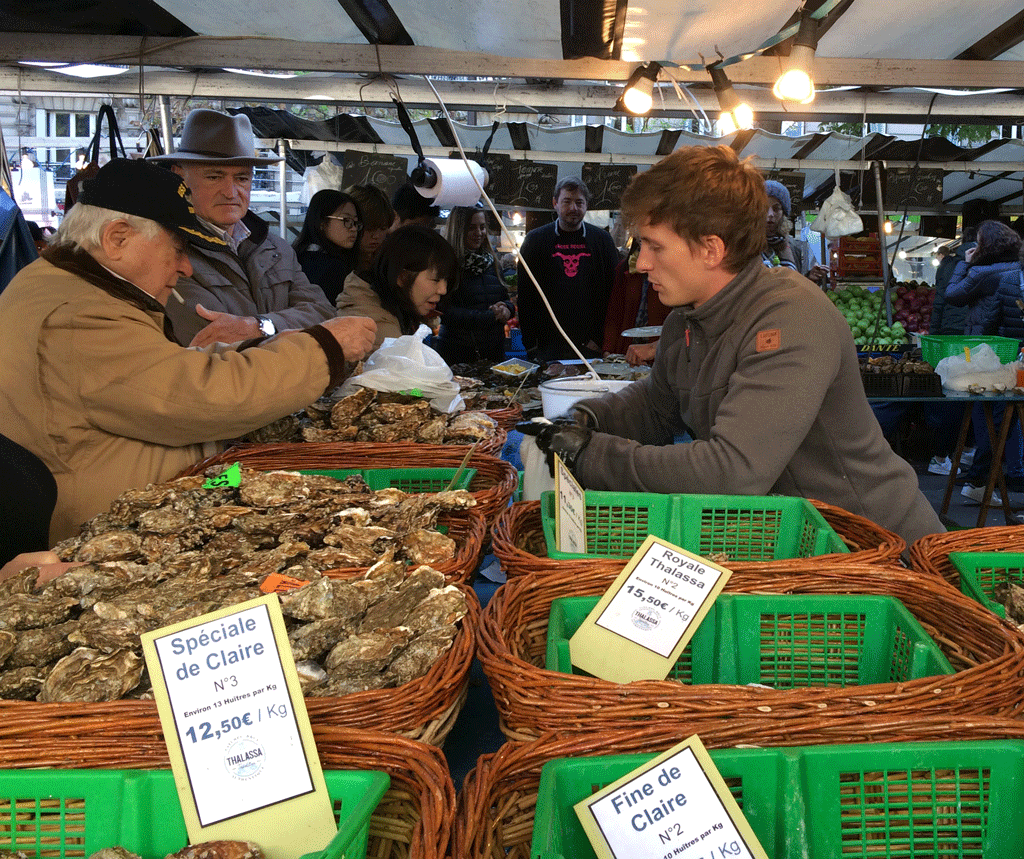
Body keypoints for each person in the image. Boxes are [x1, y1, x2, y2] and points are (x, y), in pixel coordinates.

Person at [526, 145, 942, 549]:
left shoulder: (790, 314)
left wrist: (591, 454)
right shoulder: (684, 323)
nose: (643, 263)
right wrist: (582, 420)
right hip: (798, 550)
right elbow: (653, 408)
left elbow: (732, 472)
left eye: (655, 245)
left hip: (879, 549)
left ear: (711, 249)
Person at [0, 158, 376, 544]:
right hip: (100, 533)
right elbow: (205, 397)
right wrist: (324, 348)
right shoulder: (77, 316)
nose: (186, 268)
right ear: (117, 239)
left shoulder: (68, 287)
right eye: (179, 249)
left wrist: (262, 345)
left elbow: (165, 371)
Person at [150, 109, 336, 347]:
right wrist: (283, 328)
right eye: (214, 177)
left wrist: (258, 326)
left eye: (242, 178)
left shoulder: (275, 247)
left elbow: (324, 314)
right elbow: (214, 341)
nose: (231, 192)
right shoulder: (166, 251)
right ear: (180, 177)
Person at [945, 218, 1024, 500]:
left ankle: (980, 479)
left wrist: (963, 263)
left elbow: (952, 295)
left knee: (988, 412)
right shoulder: (1015, 270)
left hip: (990, 349)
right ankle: (1002, 475)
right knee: (1007, 415)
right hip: (1012, 350)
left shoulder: (981, 273)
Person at [516, 177, 619, 361]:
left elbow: (614, 292)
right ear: (555, 203)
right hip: (547, 347)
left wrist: (599, 338)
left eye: (579, 202)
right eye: (567, 201)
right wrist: (531, 344)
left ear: (587, 205)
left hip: (591, 346)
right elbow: (525, 295)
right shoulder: (535, 241)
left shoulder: (602, 241)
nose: (573, 208)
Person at [336, 223, 457, 353]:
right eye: (435, 279)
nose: (443, 290)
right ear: (402, 277)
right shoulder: (375, 329)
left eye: (446, 279)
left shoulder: (400, 310)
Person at [436, 205, 514, 364]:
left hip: (493, 351)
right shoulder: (446, 264)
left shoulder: (492, 262)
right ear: (458, 230)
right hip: (457, 352)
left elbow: (505, 298)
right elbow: (442, 310)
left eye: (482, 227)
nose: (479, 233)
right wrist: (486, 317)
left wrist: (506, 309)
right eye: (471, 228)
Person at [602, 238, 670, 364]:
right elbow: (615, 312)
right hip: (628, 350)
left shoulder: (673, 270)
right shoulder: (624, 268)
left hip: (661, 354)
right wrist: (608, 349)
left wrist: (655, 348)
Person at [293, 189, 362, 305]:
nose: (353, 228)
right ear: (322, 223)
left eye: (355, 222)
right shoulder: (333, 267)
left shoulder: (296, 256)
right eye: (346, 220)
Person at [347, 184, 396, 276]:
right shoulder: (336, 265)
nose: (376, 236)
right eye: (369, 229)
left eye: (383, 228)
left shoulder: (388, 259)